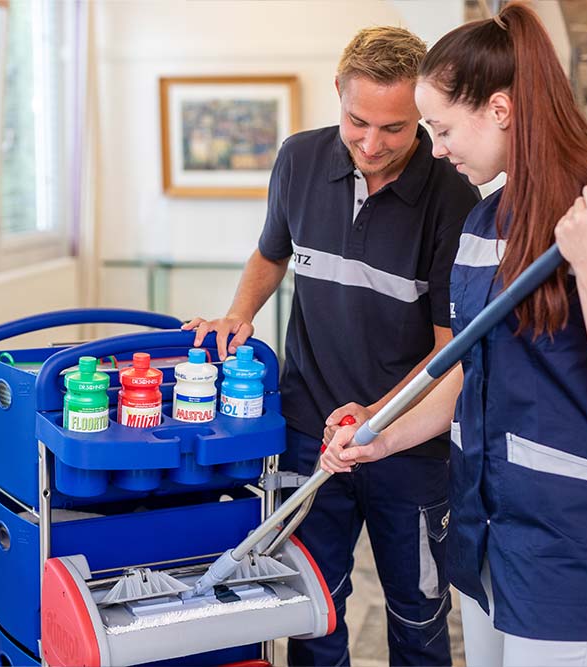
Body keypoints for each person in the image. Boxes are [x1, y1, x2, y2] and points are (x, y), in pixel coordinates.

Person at [322, 5, 587, 667]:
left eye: (442, 128)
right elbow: (466, 366)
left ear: (500, 109)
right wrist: (381, 434)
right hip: (481, 526)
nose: (436, 148)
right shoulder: (483, 222)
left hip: (564, 537)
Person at [183, 26, 478, 667]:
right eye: (357, 122)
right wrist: (238, 315)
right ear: (338, 91)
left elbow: (448, 352)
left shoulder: (454, 195)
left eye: (395, 128)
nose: (371, 145)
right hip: (309, 431)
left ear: (423, 111)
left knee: (419, 615)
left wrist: (378, 422)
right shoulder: (298, 159)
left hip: (409, 445)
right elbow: (271, 253)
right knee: (312, 610)